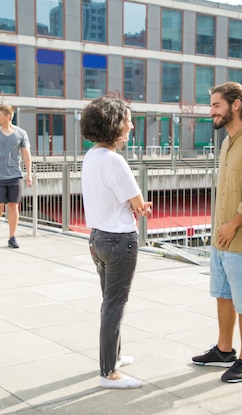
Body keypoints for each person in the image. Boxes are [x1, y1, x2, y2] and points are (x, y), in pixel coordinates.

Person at [191, 82, 242, 383]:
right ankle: (224, 350)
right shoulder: (227, 142)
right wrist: (220, 229)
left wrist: (232, 226)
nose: (210, 110)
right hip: (221, 237)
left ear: (235, 105)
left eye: (215, 105)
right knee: (223, 296)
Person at [80, 96, 153, 389]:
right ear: (114, 124)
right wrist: (143, 207)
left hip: (97, 238)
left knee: (108, 302)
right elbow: (136, 203)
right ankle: (109, 372)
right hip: (119, 241)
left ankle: (114, 356)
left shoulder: (91, 157)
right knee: (115, 305)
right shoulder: (115, 161)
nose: (131, 125)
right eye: (127, 120)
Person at [0, 105, 32, 249]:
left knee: (13, 205)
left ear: (8, 117)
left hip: (15, 175)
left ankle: (12, 237)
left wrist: (28, 173)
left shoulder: (21, 133)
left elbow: (26, 154)